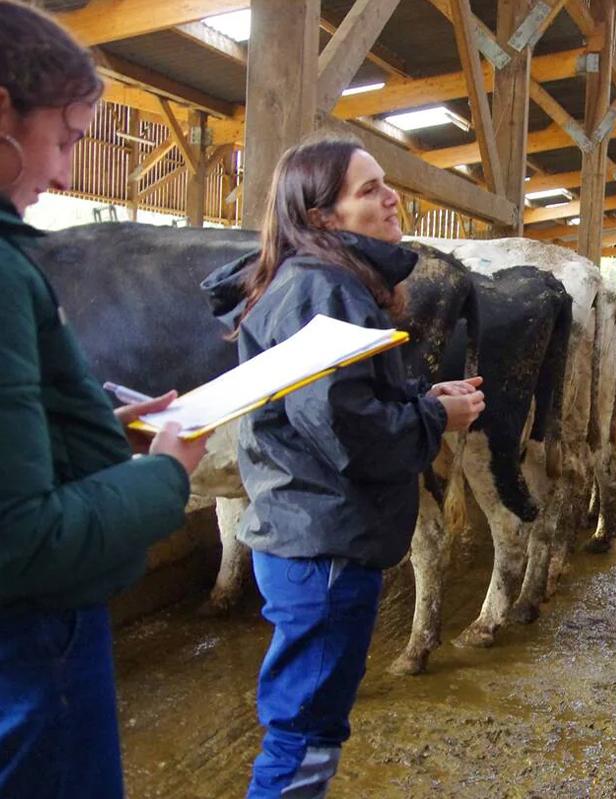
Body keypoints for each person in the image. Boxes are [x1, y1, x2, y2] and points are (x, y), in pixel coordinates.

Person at [201, 137, 485, 797]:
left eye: (386, 183)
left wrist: (422, 399)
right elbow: (350, 435)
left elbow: (343, 406)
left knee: (312, 725)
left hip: (320, 534)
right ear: (323, 217)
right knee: (302, 732)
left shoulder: (327, 285)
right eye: (369, 189)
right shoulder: (320, 290)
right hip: (322, 542)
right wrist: (435, 419)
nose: (391, 197)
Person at [0, 4, 209, 796]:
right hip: (30, 643)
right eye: (65, 139)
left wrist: (86, 424)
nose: (62, 177)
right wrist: (164, 472)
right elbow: (17, 534)